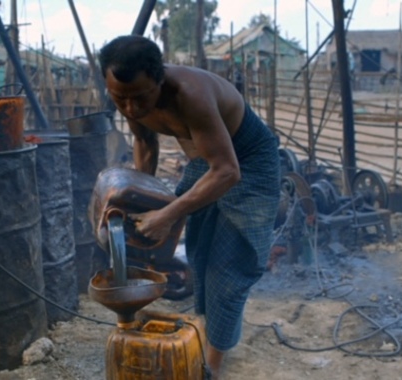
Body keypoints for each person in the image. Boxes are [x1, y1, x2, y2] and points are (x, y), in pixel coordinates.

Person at [99, 35, 280, 380]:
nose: (131, 108)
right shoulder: (130, 100)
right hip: (207, 161)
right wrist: (137, 198)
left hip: (249, 163)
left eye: (140, 97)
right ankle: (208, 333)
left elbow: (228, 171)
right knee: (200, 255)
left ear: (160, 80)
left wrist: (168, 214)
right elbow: (144, 141)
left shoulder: (191, 94)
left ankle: (210, 367)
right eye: (120, 98)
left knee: (229, 267)